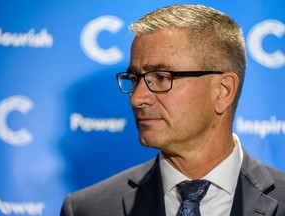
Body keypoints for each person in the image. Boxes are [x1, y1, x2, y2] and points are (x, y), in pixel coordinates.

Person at [61, 4, 285, 216]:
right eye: (133, 79)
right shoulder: (88, 209)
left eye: (160, 77)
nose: (137, 98)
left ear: (223, 91)